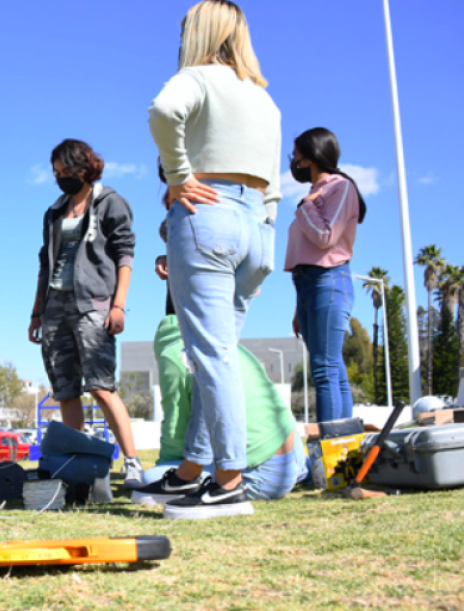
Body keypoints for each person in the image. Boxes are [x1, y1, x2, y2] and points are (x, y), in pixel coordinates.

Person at [147, 0, 281, 519]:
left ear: (199, 31)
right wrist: (265, 228)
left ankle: (228, 481)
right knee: (218, 352)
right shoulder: (264, 98)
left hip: (209, 216)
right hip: (256, 228)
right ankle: (192, 471)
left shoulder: (197, 77)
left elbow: (161, 111)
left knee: (209, 355)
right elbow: (272, 178)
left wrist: (179, 174)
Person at [131, 252, 308, 506]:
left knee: (151, 477)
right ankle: (304, 471)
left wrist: (166, 472)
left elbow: (174, 433)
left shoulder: (175, 350)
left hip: (265, 472)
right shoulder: (223, 340)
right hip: (291, 450)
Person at [27, 138, 145, 489]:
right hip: (54, 308)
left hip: (94, 305)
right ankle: (78, 468)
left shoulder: (111, 203)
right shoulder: (53, 212)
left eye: (66, 172)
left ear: (85, 169)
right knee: (65, 390)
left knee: (102, 387)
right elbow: (45, 265)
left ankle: (133, 463)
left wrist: (118, 304)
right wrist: (36, 313)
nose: (60, 178)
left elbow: (125, 254)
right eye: (56, 173)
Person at [285, 127, 367, 422]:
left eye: (295, 155)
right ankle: (344, 449)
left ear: (310, 156)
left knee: (325, 369)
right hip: (308, 286)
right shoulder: (315, 193)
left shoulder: (340, 187)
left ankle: (329, 450)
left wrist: (306, 205)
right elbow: (307, 254)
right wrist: (299, 306)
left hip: (330, 281)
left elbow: (325, 237)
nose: (293, 162)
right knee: (332, 368)